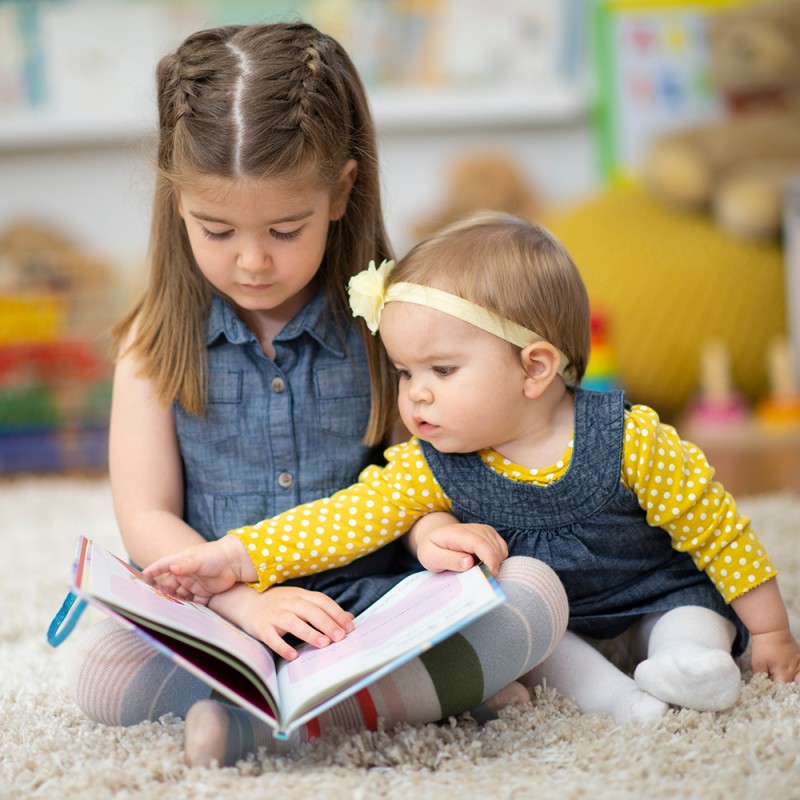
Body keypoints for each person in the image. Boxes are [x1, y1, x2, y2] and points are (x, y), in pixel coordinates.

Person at [65, 25, 569, 767]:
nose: (253, 260)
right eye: (217, 229)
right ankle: (400, 701)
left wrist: (431, 533)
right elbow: (146, 517)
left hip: (364, 606)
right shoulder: (153, 337)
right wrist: (245, 604)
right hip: (220, 613)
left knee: (534, 592)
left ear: (340, 192)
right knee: (99, 673)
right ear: (178, 204)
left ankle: (285, 717)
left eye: (284, 228)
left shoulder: (390, 319)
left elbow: (416, 473)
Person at [148, 209, 800, 754]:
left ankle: (694, 666)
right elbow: (339, 520)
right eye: (405, 374)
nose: (416, 398)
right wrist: (234, 557)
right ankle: (622, 701)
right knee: (526, 633)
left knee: (692, 619)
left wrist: (768, 632)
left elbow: (718, 530)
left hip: (659, 593)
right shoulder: (428, 461)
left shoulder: (629, 438)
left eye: (442, 370)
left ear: (535, 368)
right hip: (558, 623)